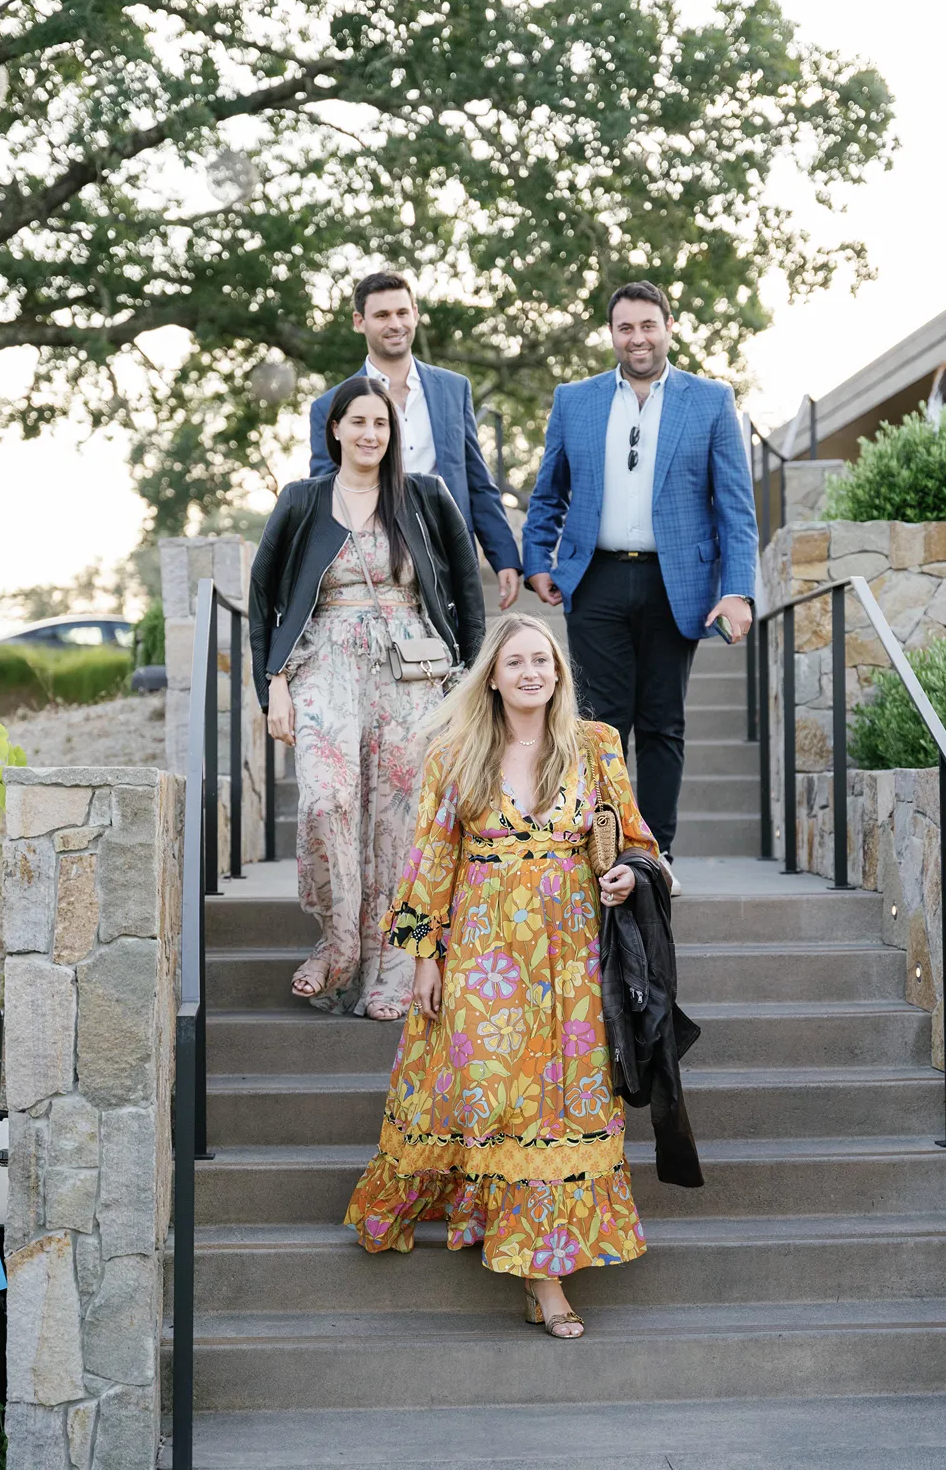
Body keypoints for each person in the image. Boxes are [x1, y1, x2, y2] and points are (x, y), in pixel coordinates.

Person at [345, 613, 657, 1338]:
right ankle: (523, 1259)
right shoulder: (457, 752)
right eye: (514, 661)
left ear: (558, 672)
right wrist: (423, 957)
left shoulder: (593, 746)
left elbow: (636, 841)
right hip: (485, 958)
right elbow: (430, 858)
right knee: (500, 1099)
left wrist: (621, 877)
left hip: (576, 957)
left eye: (541, 661)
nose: (529, 672)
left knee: (555, 1110)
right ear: (492, 673)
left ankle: (542, 1279)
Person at [249, 377, 486, 1019]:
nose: (369, 434)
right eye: (357, 422)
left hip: (411, 670)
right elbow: (264, 594)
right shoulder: (302, 500)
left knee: (399, 815)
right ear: (335, 429)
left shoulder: (425, 498)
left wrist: (470, 683)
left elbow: (466, 586)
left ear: (393, 431)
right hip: (324, 659)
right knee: (329, 799)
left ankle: (393, 965)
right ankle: (337, 945)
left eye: (380, 423)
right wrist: (271, 681)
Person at [519, 280, 759, 893]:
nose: (638, 338)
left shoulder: (709, 402)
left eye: (648, 325)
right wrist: (537, 558)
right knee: (599, 726)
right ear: (612, 334)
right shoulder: (575, 400)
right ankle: (597, 849)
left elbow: (736, 508)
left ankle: (654, 854)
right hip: (594, 578)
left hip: (677, 583)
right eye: (625, 328)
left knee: (661, 723)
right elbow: (548, 492)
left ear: (668, 326)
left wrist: (738, 590)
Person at [309, 270, 523, 609]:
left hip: (448, 551)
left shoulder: (454, 389)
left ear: (415, 314)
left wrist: (505, 557)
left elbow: (476, 480)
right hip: (373, 561)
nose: (395, 324)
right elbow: (323, 494)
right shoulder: (330, 406)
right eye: (382, 315)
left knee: (457, 657)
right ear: (359, 321)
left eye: (402, 312)